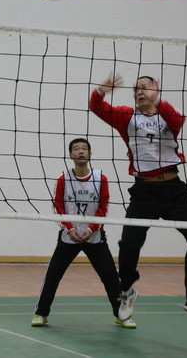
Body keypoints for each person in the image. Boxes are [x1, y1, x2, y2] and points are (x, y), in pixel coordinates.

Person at [89, 74, 187, 323]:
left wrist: (156, 101)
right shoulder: (127, 116)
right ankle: (126, 291)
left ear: (156, 90)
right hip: (144, 193)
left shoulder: (168, 114)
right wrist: (101, 91)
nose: (139, 91)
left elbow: (178, 121)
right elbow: (96, 107)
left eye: (145, 87)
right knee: (129, 244)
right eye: (136, 89)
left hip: (174, 191)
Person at [31, 138, 135, 329]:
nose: (80, 151)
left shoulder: (101, 178)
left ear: (90, 154)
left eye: (84, 149)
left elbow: (103, 208)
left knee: (111, 276)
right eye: (76, 149)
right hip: (68, 237)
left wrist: (90, 229)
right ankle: (41, 313)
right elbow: (58, 208)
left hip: (94, 237)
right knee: (53, 274)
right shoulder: (63, 179)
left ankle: (121, 315)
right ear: (70, 155)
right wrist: (70, 229)